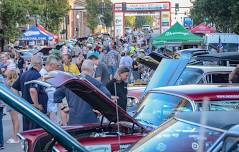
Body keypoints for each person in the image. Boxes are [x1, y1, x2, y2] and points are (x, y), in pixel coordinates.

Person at [54, 60, 112, 125]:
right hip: (91, 121)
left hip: (74, 121)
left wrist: (63, 107)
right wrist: (101, 109)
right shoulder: (95, 83)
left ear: (81, 68)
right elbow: (107, 95)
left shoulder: (70, 81)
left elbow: (56, 96)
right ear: (92, 70)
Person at [12, 55, 47, 131]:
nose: (42, 66)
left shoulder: (24, 74)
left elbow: (14, 87)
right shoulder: (37, 75)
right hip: (35, 111)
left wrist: (20, 101)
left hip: (26, 109)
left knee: (28, 133)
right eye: (41, 64)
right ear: (37, 64)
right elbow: (32, 90)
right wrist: (37, 105)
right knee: (36, 133)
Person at [39, 56, 60, 123]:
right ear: (51, 65)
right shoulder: (42, 74)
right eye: (55, 66)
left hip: (51, 106)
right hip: (48, 107)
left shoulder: (48, 73)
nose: (56, 69)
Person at [4, 63, 20, 144]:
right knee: (13, 121)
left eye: (8, 69)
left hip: (13, 103)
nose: (6, 70)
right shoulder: (10, 79)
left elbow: (15, 94)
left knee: (15, 120)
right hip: (10, 102)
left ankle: (15, 138)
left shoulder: (13, 80)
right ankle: (14, 136)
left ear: (11, 70)